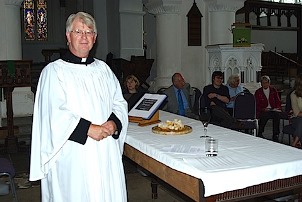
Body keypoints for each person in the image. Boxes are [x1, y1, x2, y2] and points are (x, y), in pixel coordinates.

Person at [29, 12, 129, 201]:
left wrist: (114, 123)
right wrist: (89, 129)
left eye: (89, 32)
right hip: (72, 154)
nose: (84, 37)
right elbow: (53, 114)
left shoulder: (104, 70)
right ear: (68, 36)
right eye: (78, 32)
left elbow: (119, 102)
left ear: (95, 38)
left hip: (105, 151)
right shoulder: (54, 72)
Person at [254, 75, 282, 142]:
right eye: (263, 83)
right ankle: (260, 132)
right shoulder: (258, 92)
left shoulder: (273, 90)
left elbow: (278, 101)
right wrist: (263, 109)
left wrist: (277, 107)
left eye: (266, 82)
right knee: (264, 115)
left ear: (269, 83)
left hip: (272, 109)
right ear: (261, 84)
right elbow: (256, 104)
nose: (265, 84)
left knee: (277, 115)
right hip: (263, 110)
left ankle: (275, 134)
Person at [290, 74, 302, 147]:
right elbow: (297, 113)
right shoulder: (293, 95)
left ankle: (295, 142)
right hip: (296, 118)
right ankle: (295, 143)